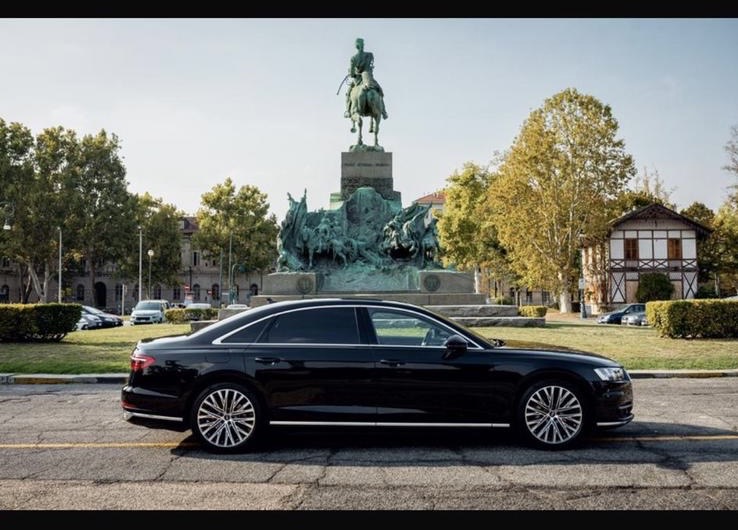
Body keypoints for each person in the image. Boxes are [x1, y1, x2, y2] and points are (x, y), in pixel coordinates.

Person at [344, 38, 388, 120]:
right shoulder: (369, 55)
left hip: (358, 80)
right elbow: (370, 67)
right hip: (368, 78)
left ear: (356, 46)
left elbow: (352, 74)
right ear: (362, 45)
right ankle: (384, 112)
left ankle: (347, 111)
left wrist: (352, 73)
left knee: (348, 93)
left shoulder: (353, 58)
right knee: (380, 91)